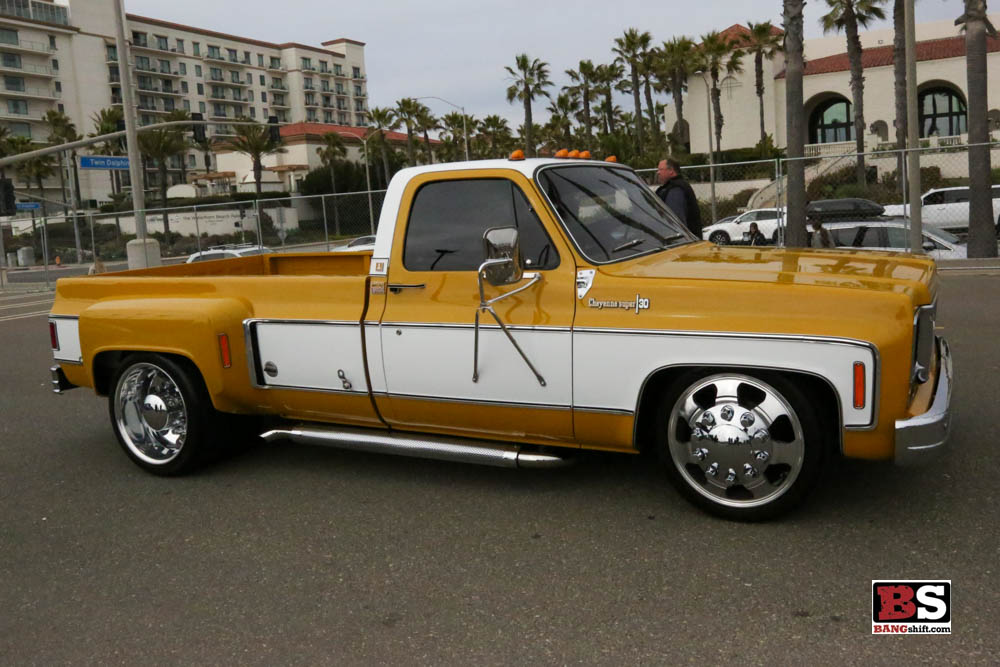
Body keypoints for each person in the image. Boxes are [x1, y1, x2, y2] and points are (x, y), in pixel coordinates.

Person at [655, 157, 702, 237]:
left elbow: (675, 222)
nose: (658, 173)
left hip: (681, 241)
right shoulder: (677, 186)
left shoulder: (676, 189)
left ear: (671, 170)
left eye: (661, 169)